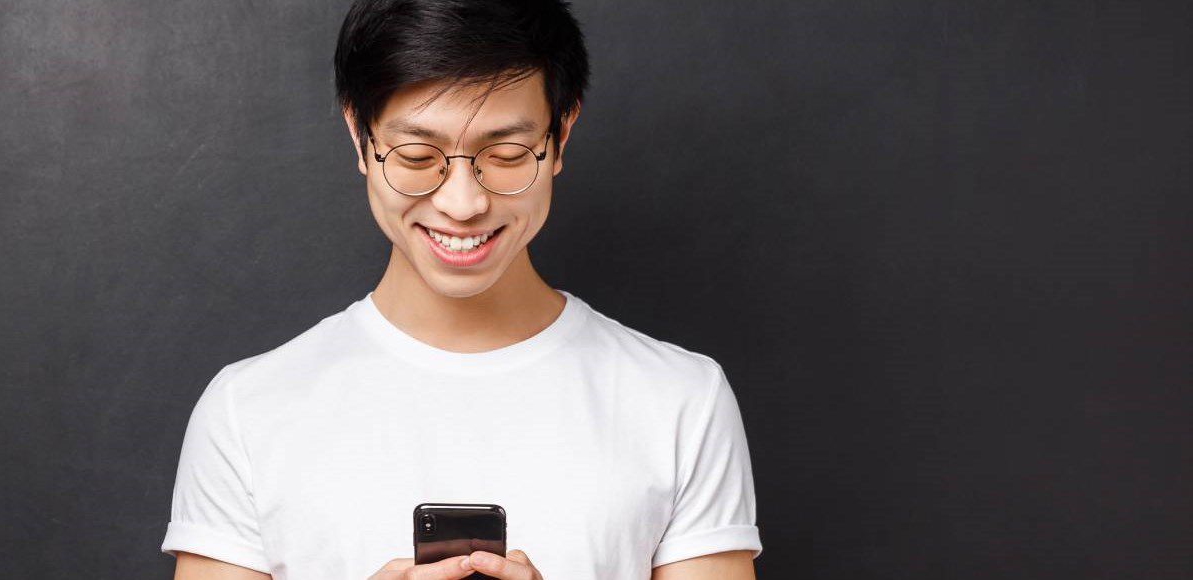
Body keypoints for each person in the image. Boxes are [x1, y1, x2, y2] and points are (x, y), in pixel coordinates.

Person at [162, 1, 761, 578]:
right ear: (358, 134)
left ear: (561, 132)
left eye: (506, 154)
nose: (463, 203)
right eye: (416, 155)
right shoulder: (247, 410)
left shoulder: (681, 400)